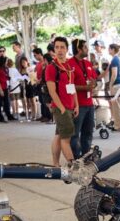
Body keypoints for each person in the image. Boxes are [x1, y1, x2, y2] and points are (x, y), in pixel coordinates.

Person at [46, 36, 79, 166]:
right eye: (57, 47)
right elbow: (51, 91)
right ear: (54, 49)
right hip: (61, 108)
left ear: (67, 49)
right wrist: (62, 108)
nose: (59, 50)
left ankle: (55, 164)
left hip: (70, 107)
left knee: (59, 136)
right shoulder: (52, 67)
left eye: (62, 47)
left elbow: (72, 88)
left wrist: (76, 105)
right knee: (66, 139)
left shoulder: (69, 66)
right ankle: (73, 165)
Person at [68, 38, 96, 155]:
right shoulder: (69, 64)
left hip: (90, 104)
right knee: (75, 134)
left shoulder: (88, 63)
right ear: (79, 49)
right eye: (85, 47)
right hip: (77, 105)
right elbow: (68, 87)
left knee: (88, 132)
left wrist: (93, 84)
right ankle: (76, 158)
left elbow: (94, 79)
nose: (87, 49)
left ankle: (86, 156)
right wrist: (84, 88)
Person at [107, 43, 120, 131]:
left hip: (116, 84)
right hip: (118, 84)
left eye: (109, 49)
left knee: (116, 107)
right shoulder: (116, 59)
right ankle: (119, 125)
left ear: (113, 49)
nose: (108, 50)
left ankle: (119, 126)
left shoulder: (114, 60)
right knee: (117, 106)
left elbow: (114, 74)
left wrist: (110, 85)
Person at [0, 56, 14, 123]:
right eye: (6, 61)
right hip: (0, 88)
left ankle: (9, 115)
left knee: (7, 103)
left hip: (5, 87)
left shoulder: (4, 69)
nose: (7, 62)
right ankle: (0, 117)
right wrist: (0, 90)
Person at [33, 48, 52, 122]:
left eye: (35, 55)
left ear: (39, 54)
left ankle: (48, 116)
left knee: (45, 101)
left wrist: (39, 80)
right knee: (41, 100)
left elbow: (44, 75)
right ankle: (43, 115)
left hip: (43, 84)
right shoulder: (38, 64)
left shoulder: (45, 64)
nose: (35, 57)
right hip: (39, 84)